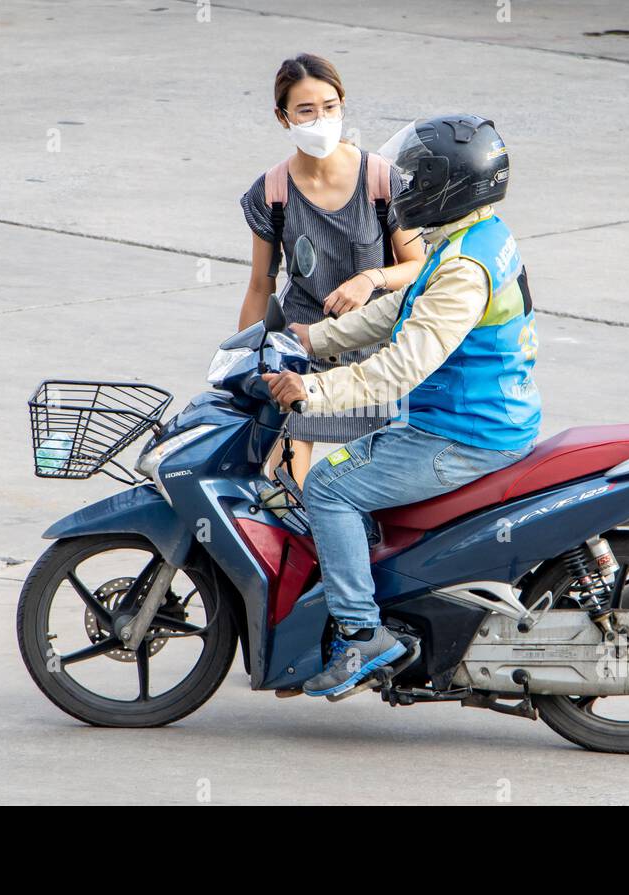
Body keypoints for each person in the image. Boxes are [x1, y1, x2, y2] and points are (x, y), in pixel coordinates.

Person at [263, 114, 542, 698]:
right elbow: (402, 308)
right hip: (480, 419)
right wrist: (314, 339)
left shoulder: (463, 269)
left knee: (328, 487)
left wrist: (314, 391)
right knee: (353, 481)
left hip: (461, 434)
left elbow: (401, 367)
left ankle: (362, 635)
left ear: (451, 185)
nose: (407, 188)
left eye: (418, 178)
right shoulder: (476, 238)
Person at [239, 53, 426, 485]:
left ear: (343, 105)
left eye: (330, 107)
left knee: (373, 485)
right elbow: (260, 286)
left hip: (376, 351)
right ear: (283, 118)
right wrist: (248, 359)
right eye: (306, 110)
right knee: (284, 488)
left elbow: (419, 265)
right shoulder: (272, 192)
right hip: (302, 346)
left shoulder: (380, 179)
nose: (320, 119)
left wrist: (371, 278)